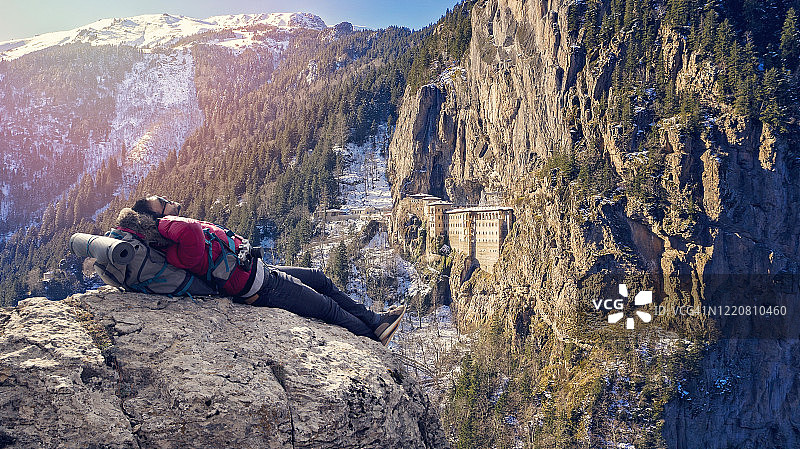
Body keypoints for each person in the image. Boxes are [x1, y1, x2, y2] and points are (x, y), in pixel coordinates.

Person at [116, 195, 405, 345]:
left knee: (319, 279)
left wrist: (162, 222)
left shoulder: (172, 239)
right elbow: (192, 233)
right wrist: (160, 225)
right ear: (154, 220)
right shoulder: (175, 245)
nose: (172, 205)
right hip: (260, 287)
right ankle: (371, 341)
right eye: (163, 206)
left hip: (259, 271)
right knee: (326, 308)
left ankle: (375, 321)